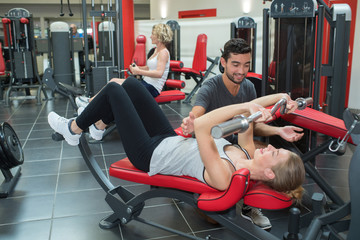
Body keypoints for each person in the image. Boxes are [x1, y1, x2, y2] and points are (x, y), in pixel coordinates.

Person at [48, 78, 305, 204]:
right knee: (131, 85)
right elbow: (249, 111)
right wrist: (282, 97)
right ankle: (99, 124)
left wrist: (247, 107)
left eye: (275, 153)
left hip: (149, 155)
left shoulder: (226, 174)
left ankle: (73, 128)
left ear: (269, 173)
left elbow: (204, 127)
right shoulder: (247, 153)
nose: (270, 147)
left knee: (115, 91)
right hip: (169, 141)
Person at [181, 38, 304, 230]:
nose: (241, 71)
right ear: (223, 62)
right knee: (215, 219)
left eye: (246, 65)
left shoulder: (248, 87)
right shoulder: (210, 87)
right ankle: (189, 188)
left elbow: (252, 125)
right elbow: (197, 113)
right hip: (213, 147)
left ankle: (249, 207)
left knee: (268, 154)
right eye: (235, 64)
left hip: (238, 142)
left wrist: (278, 130)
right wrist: (191, 121)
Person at [75, 23, 173, 140]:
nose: (151, 36)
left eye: (153, 34)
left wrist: (139, 72)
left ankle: (92, 108)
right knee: (113, 82)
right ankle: (94, 111)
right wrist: (138, 68)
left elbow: (159, 73)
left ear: (159, 36)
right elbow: (150, 68)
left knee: (116, 90)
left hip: (152, 88)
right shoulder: (156, 50)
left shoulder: (163, 53)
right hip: (145, 83)